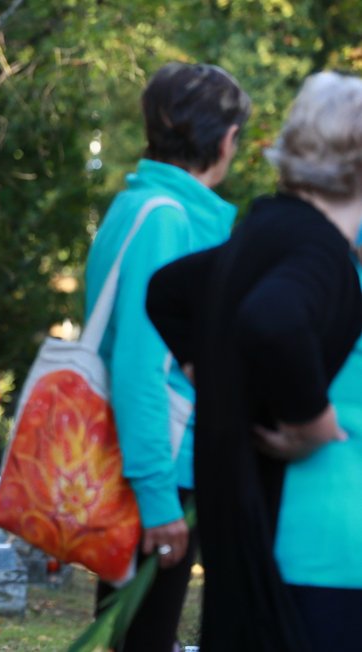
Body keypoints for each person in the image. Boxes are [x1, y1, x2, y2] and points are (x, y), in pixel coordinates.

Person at [146, 70, 362, 650]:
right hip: (328, 547)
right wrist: (311, 425)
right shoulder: (318, 251)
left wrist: (217, 378)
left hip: (266, 534)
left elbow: (168, 290)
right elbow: (274, 321)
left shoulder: (270, 229)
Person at [82, 62, 250, 650]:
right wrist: (157, 497)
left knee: (133, 631)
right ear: (226, 140)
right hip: (159, 462)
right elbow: (140, 365)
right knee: (144, 635)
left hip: (138, 451)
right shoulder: (168, 220)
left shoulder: (140, 205)